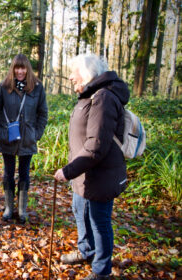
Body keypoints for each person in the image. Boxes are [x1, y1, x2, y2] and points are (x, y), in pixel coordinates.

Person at [54, 54, 129, 280]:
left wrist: (67, 171)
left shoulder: (103, 97)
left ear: (86, 74)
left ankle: (101, 270)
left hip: (100, 175)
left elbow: (96, 145)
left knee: (99, 222)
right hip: (84, 174)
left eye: (73, 72)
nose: (69, 77)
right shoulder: (89, 95)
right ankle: (86, 251)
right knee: (81, 214)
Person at [0, 54, 48, 223]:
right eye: (17, 68)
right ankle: (9, 208)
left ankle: (22, 210)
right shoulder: (4, 87)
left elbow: (43, 113)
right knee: (8, 173)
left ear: (27, 69)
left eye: (23, 68)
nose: (20, 71)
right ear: (13, 69)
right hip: (8, 138)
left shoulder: (37, 88)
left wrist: (36, 134)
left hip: (27, 139)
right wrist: (1, 132)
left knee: (24, 174)